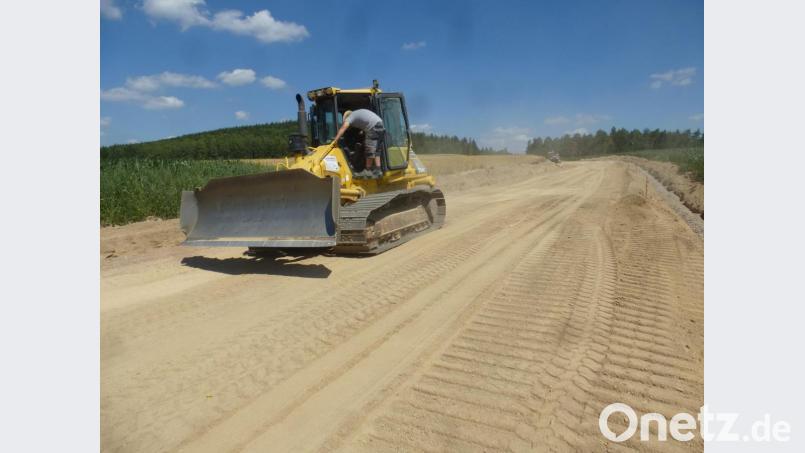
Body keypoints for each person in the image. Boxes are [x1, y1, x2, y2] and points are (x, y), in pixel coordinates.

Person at [331, 109, 385, 178]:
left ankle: (367, 171)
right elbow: (366, 121)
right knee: (377, 150)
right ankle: (378, 170)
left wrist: (335, 140)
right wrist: (362, 132)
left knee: (369, 149)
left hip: (373, 127)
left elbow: (343, 128)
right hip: (380, 125)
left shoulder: (350, 117)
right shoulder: (357, 114)